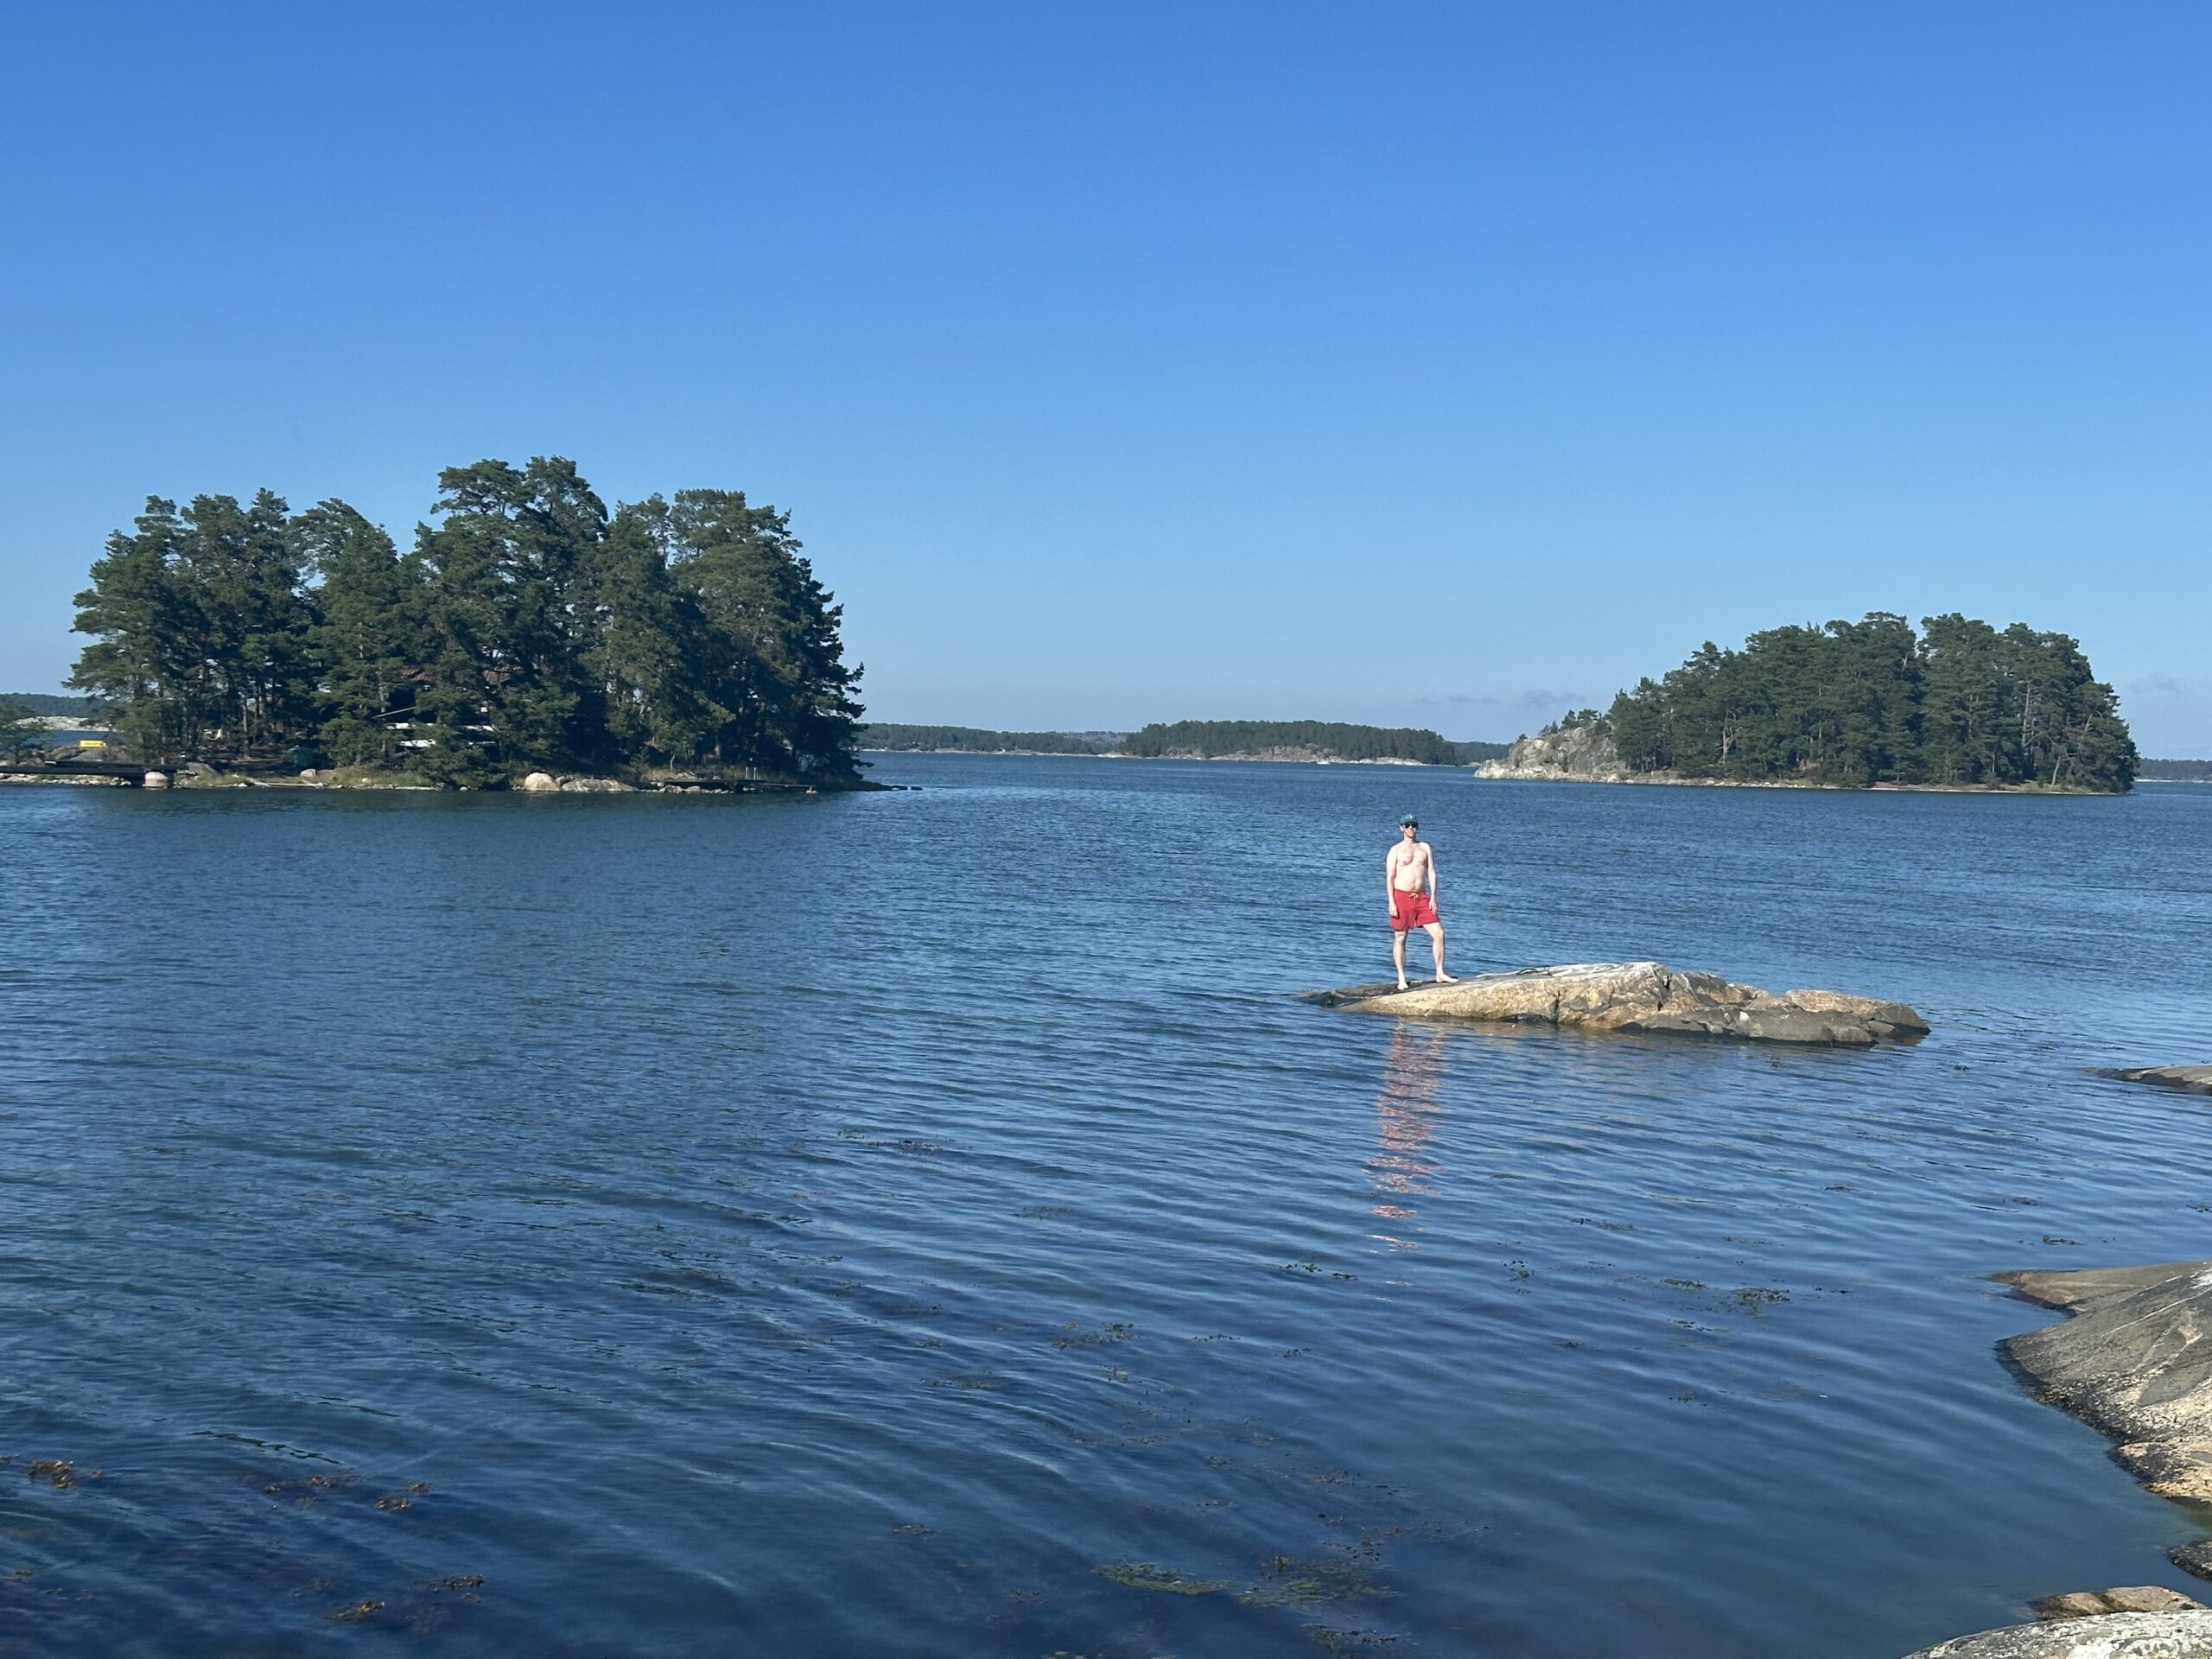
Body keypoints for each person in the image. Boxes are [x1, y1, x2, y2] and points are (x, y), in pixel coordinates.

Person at [1386, 813, 1456, 991]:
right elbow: (1390, 877)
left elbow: (1431, 872)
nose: (1411, 828)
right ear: (1401, 828)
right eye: (1407, 825)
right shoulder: (1395, 850)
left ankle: (1440, 972)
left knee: (1439, 933)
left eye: (1414, 825)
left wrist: (1433, 896)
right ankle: (1401, 977)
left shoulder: (1424, 847)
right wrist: (1391, 902)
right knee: (1400, 937)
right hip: (1402, 896)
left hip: (1422, 897)